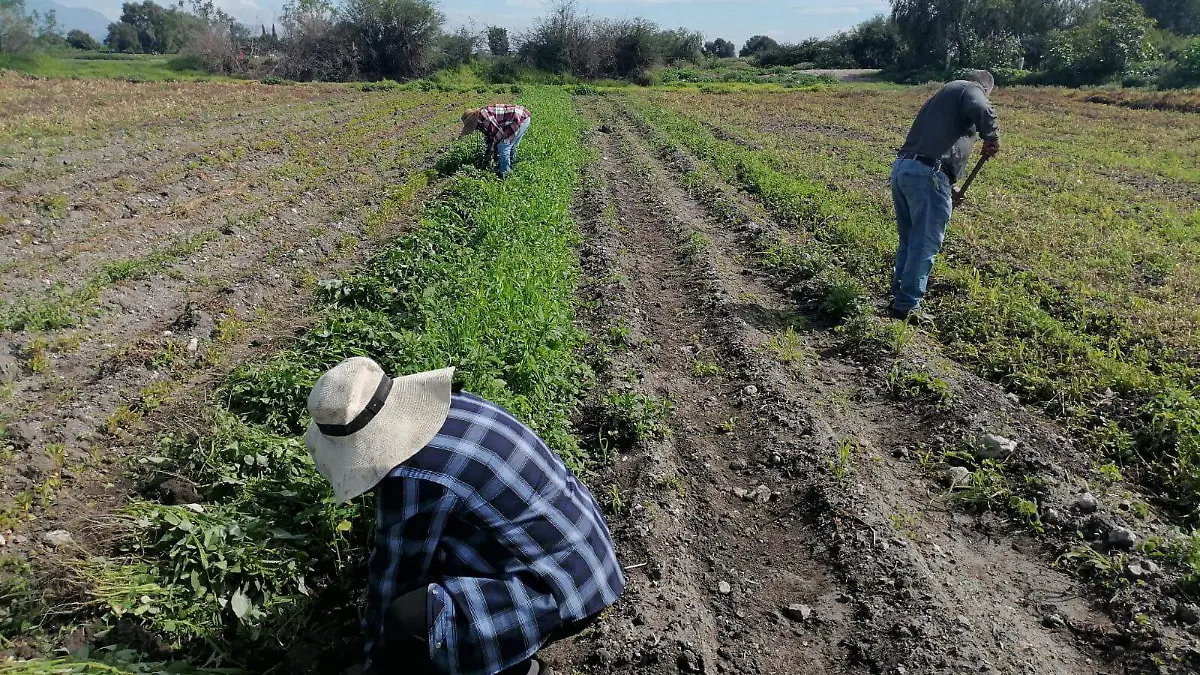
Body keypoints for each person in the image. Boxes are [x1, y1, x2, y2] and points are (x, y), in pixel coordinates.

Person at [304, 357, 624, 675]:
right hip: (588, 555)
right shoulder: (449, 406)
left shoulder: (411, 476)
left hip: (566, 592)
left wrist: (378, 661)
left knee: (407, 622)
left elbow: (395, 578)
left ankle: (518, 669)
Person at [890, 69, 1001, 320]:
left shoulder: (943, 97)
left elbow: (936, 145)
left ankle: (898, 295)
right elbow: (981, 107)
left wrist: (948, 187)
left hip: (905, 168)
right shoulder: (971, 89)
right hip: (928, 174)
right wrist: (991, 136)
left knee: (910, 239)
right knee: (924, 243)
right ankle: (906, 305)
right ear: (985, 87)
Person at [459, 104, 532, 178]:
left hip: (520, 118)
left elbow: (499, 135)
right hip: (521, 117)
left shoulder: (484, 118)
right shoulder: (480, 120)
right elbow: (491, 137)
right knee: (510, 146)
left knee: (503, 146)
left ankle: (505, 174)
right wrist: (488, 153)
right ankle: (510, 166)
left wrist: (491, 153)